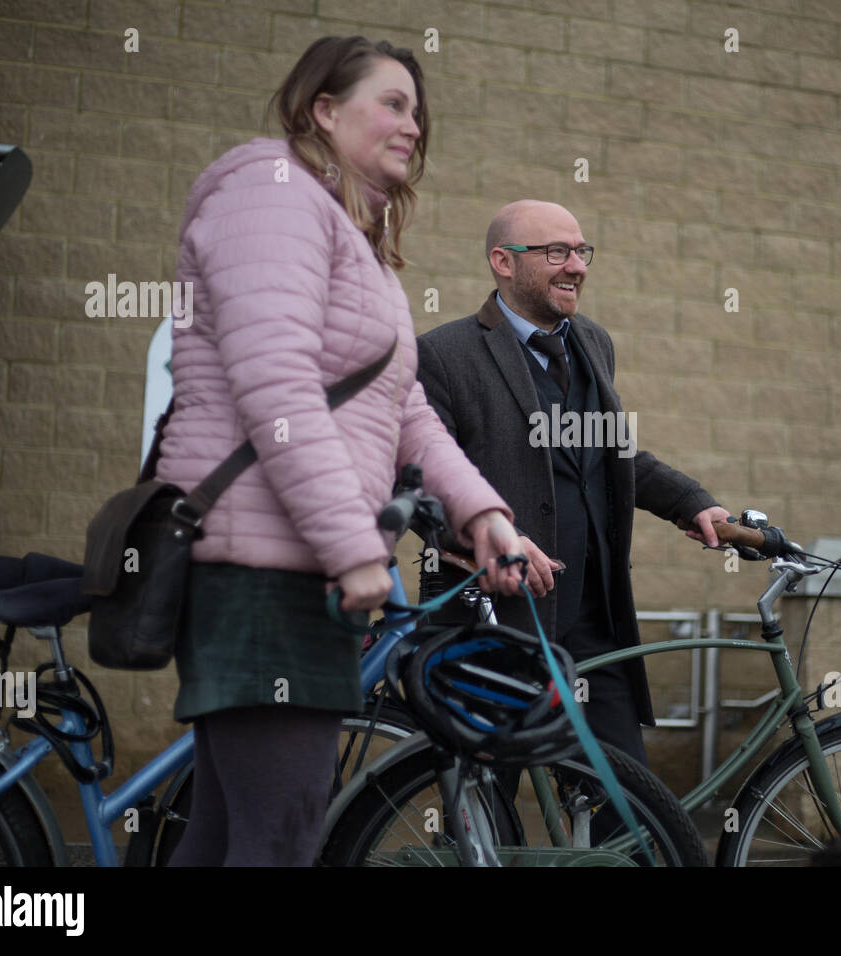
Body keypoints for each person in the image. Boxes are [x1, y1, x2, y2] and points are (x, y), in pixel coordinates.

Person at [154, 36, 524, 867]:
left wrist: (482, 512)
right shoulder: (273, 198)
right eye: (392, 103)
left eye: (418, 111)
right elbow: (277, 391)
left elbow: (408, 413)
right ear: (325, 109)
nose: (413, 125)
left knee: (228, 838)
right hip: (264, 573)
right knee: (277, 839)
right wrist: (356, 550)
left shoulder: (355, 243)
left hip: (295, 565)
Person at [416, 200, 731, 765]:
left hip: (595, 624)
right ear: (502, 262)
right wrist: (486, 541)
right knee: (492, 804)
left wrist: (692, 502)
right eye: (556, 251)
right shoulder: (442, 354)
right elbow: (417, 485)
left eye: (582, 251)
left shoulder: (594, 343)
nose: (577, 266)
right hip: (495, 621)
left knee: (626, 804)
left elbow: (613, 456)